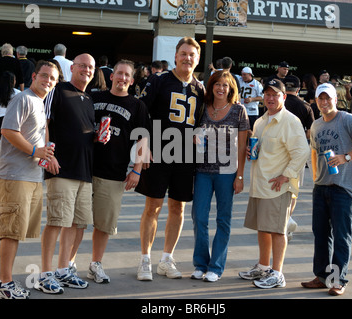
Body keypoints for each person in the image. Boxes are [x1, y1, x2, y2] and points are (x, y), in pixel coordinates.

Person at [135, 36, 205, 281]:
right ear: (176, 56)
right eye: (183, 53)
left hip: (185, 155)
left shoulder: (200, 88)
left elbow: (202, 122)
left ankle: (166, 258)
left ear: (198, 59)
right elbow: (141, 111)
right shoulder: (159, 80)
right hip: (159, 151)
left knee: (178, 207)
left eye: (192, 55)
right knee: (152, 206)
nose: (187, 58)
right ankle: (145, 259)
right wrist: (143, 142)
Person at [0, 60, 58, 299]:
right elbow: (8, 131)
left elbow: (40, 134)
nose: (48, 80)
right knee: (10, 232)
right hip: (14, 175)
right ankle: (5, 283)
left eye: (52, 78)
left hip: (31, 176)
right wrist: (34, 151)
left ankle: (5, 280)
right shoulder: (23, 99)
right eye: (44, 76)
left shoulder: (39, 102)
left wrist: (47, 155)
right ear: (34, 76)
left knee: (16, 231)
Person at [302, 83, 352, 296]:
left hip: (344, 187)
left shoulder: (348, 120)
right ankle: (322, 276)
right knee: (321, 234)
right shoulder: (315, 125)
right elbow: (314, 152)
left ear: (335, 99)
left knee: (342, 235)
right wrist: (315, 177)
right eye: (320, 99)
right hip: (321, 187)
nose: (324, 103)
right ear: (316, 101)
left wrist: (346, 157)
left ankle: (338, 280)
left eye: (328, 98)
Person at [84, 59, 152, 283]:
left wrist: (137, 170)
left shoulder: (137, 106)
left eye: (127, 75)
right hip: (84, 169)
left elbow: (142, 139)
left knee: (104, 224)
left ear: (132, 81)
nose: (122, 78)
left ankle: (96, 264)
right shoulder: (94, 97)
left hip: (113, 173)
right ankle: (67, 265)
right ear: (112, 76)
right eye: (119, 73)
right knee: (75, 222)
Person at [240, 79, 310, 289]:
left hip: (278, 186)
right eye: (267, 94)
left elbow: (301, 152)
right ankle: (263, 266)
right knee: (263, 228)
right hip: (260, 184)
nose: (270, 98)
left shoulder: (290, 121)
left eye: (275, 95)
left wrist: (285, 176)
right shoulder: (260, 121)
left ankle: (277, 273)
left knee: (278, 231)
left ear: (284, 97)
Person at [35, 53, 96, 294]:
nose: (86, 70)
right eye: (82, 66)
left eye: (90, 67)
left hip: (84, 171)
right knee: (56, 222)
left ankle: (63, 270)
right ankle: (45, 273)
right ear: (72, 68)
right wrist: (48, 157)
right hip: (61, 169)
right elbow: (44, 123)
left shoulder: (89, 98)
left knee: (76, 224)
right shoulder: (57, 91)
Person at [191, 70, 249, 282]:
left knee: (223, 219)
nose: (221, 88)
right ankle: (200, 263)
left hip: (227, 172)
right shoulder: (202, 109)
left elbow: (242, 146)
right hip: (203, 171)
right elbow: (193, 134)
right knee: (199, 217)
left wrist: (240, 176)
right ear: (211, 86)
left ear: (231, 88)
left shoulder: (238, 111)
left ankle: (216, 267)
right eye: (217, 84)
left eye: (225, 85)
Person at [283, 75, 314, 240]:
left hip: (277, 152)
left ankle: (279, 221)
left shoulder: (277, 103)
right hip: (297, 152)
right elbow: (311, 132)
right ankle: (287, 219)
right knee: (293, 189)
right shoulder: (305, 106)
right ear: (298, 88)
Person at [0, 71, 20, 138]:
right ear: (13, 81)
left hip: (2, 120)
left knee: (2, 141)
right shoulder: (18, 93)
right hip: (14, 120)